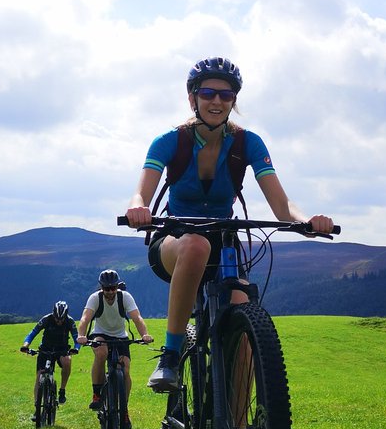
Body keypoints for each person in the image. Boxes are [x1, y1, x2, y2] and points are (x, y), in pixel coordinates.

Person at [124, 55, 334, 394]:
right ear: (192, 98)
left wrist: (305, 221)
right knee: (196, 244)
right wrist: (138, 210)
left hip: (224, 245)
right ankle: (171, 357)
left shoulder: (247, 143)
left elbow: (282, 205)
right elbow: (140, 195)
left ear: (234, 101)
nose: (217, 101)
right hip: (174, 242)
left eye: (226, 95)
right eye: (207, 93)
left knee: (246, 334)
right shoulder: (169, 141)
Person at [76, 269, 153, 429]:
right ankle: (97, 393)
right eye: (106, 288)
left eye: (113, 288)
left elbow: (137, 317)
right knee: (101, 353)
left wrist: (144, 334)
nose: (110, 292)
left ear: (117, 286)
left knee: (125, 369)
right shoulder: (95, 298)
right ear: (101, 287)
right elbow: (85, 318)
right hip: (100, 334)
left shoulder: (125, 297)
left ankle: (124, 410)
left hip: (120, 336)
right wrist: (81, 335)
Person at [20, 300, 80, 406]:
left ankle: (62, 390)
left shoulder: (70, 321)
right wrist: (25, 345)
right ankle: (37, 407)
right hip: (46, 348)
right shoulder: (46, 319)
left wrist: (76, 348)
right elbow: (33, 333)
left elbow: (76, 337)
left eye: (61, 319)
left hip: (61, 349)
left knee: (67, 361)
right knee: (39, 376)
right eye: (57, 319)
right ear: (53, 314)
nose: (59, 321)